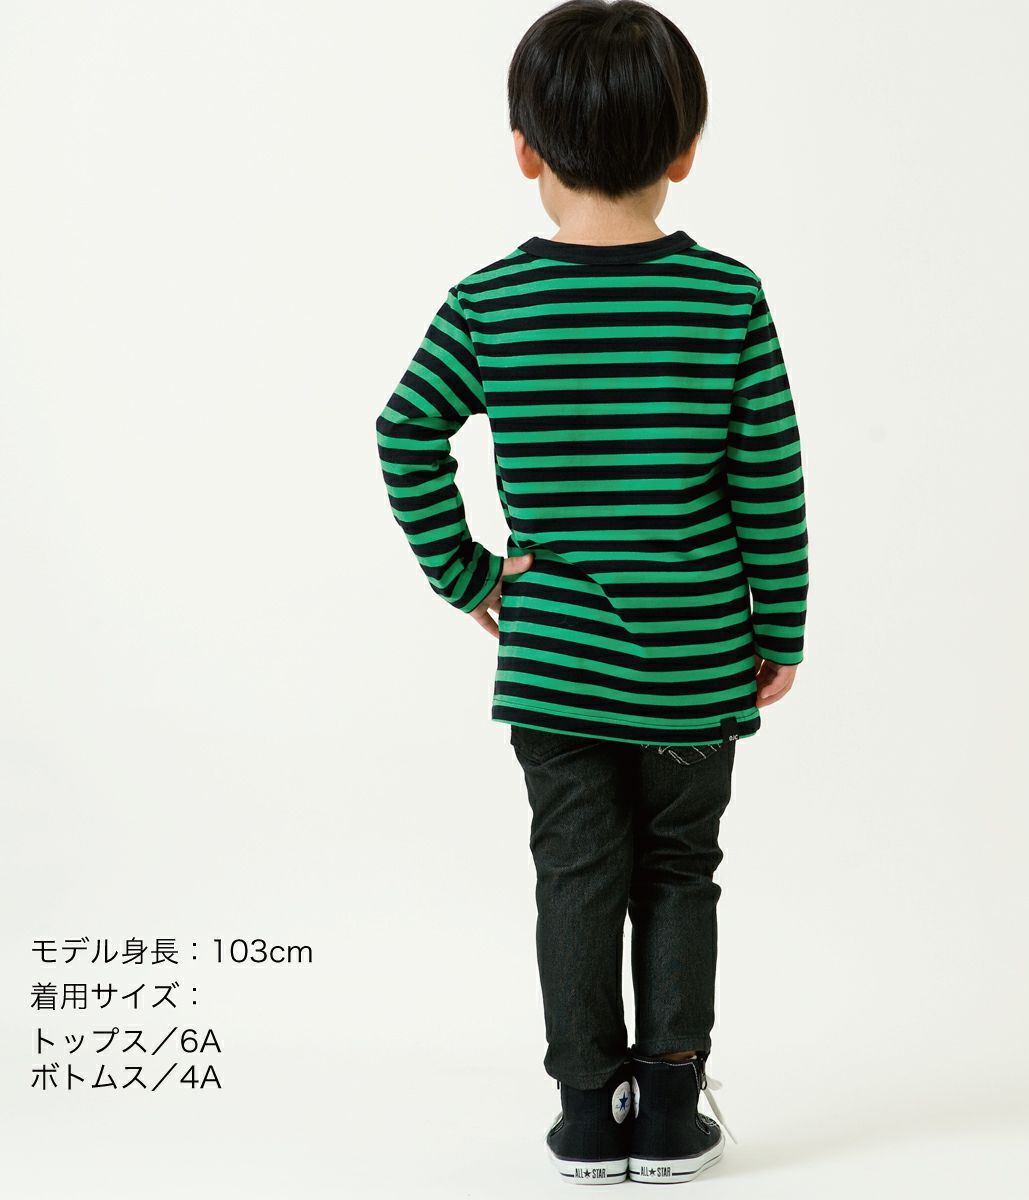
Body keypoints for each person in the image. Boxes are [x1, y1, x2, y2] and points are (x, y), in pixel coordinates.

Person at [374, 0, 808, 1184]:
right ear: (686, 150)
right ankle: (668, 1110)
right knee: (679, 872)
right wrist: (780, 629)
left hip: (555, 661)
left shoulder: (490, 304)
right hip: (696, 659)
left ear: (525, 150)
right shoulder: (726, 299)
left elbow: (405, 432)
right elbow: (768, 482)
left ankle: (584, 1112)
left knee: (574, 875)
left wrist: (467, 576)